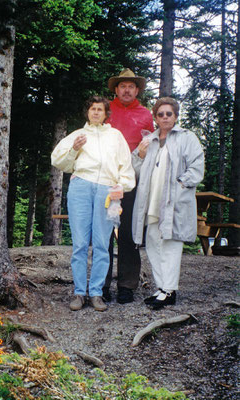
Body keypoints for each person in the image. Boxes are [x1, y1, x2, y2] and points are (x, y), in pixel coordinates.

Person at [51, 96, 135, 312]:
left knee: (101, 243)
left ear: (107, 113)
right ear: (87, 112)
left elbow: (126, 167)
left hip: (108, 191)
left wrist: (121, 186)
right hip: (81, 187)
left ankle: (96, 293)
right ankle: (79, 293)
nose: (96, 112)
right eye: (92, 109)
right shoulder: (77, 136)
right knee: (79, 243)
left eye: (100, 109)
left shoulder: (116, 136)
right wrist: (74, 150)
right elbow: (58, 161)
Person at [132, 97, 204, 310]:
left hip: (173, 202)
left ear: (175, 116)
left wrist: (181, 184)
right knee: (153, 243)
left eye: (169, 114)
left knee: (170, 245)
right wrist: (141, 154)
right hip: (151, 201)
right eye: (160, 114)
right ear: (155, 117)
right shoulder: (150, 140)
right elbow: (134, 168)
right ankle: (161, 287)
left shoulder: (187, 138)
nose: (165, 117)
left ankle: (169, 291)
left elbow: (197, 167)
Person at [103, 68, 154, 304]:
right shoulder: (105, 110)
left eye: (131, 86)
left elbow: (152, 147)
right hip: (106, 181)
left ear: (137, 90)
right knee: (104, 232)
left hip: (132, 183)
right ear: (115, 89)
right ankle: (100, 285)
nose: (126, 90)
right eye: (122, 86)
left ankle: (126, 286)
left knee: (128, 233)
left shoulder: (145, 114)